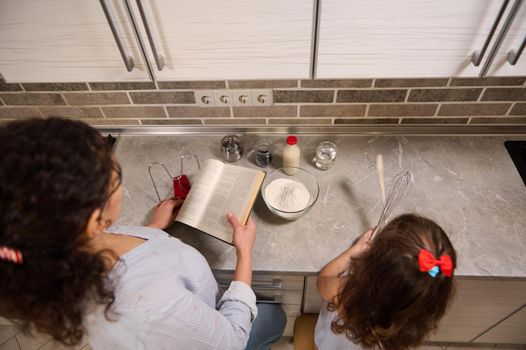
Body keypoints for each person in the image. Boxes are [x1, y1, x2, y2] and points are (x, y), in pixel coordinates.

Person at [0, 118, 285, 349]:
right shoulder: (153, 309)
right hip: (217, 331)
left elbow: (122, 249)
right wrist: (244, 254)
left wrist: (151, 230)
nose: (116, 169)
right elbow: (231, 341)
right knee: (275, 317)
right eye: (114, 179)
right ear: (93, 218)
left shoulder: (67, 242)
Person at [315, 214, 457, 350]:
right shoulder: (417, 313)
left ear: (372, 264)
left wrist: (356, 250)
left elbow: (323, 279)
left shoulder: (350, 294)